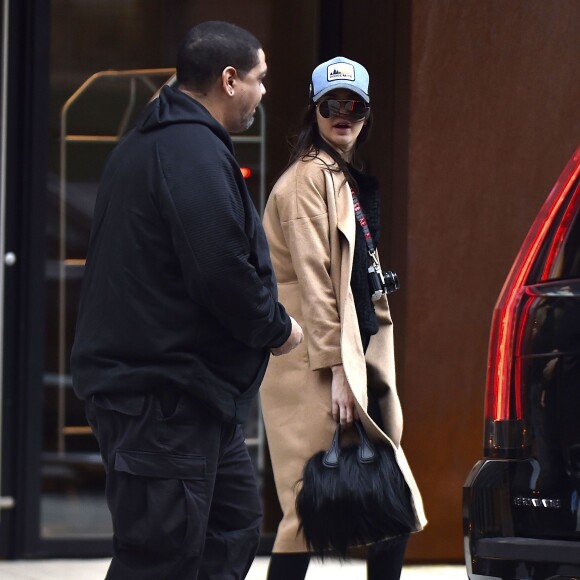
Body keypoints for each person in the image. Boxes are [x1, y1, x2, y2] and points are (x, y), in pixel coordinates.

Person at [70, 21, 303, 580]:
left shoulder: (160, 140)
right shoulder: (189, 151)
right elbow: (220, 270)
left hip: (189, 396)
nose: (264, 92)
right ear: (229, 80)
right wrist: (278, 328)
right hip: (159, 398)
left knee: (231, 526)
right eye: (259, 79)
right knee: (160, 555)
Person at [260, 56, 427, 580]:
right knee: (307, 511)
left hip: (346, 356)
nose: (343, 115)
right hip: (315, 365)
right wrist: (337, 370)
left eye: (353, 105)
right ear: (314, 111)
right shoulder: (309, 179)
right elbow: (313, 282)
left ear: (366, 112)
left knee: (385, 500)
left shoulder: (336, 176)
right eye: (331, 105)